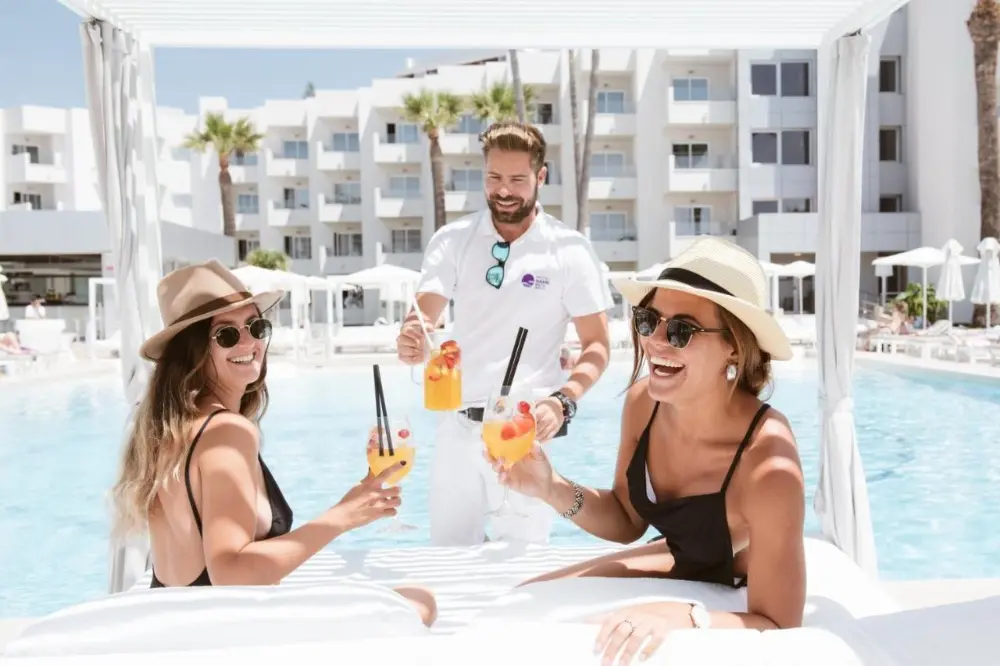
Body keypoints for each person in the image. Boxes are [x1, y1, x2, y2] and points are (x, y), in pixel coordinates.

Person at [491, 237, 805, 665]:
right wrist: (552, 489)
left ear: (735, 344)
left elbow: (780, 624)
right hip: (674, 561)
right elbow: (626, 520)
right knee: (519, 604)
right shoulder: (644, 403)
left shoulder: (767, 462)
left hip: (736, 592)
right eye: (648, 320)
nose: (656, 341)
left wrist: (687, 616)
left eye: (681, 330)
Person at [110, 260, 436, 626]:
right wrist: (342, 518)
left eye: (256, 326)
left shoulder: (169, 431)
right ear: (194, 352)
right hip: (225, 633)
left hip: (178, 625)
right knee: (419, 603)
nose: (249, 342)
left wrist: (352, 502)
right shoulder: (225, 431)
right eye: (227, 335)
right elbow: (229, 573)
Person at [396, 122, 613, 546]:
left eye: (517, 179)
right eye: (494, 178)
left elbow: (598, 347)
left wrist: (563, 400)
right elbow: (424, 317)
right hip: (456, 430)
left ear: (541, 177)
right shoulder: (452, 240)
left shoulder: (569, 251)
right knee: (449, 564)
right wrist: (412, 339)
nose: (504, 190)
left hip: (523, 432)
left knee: (522, 569)